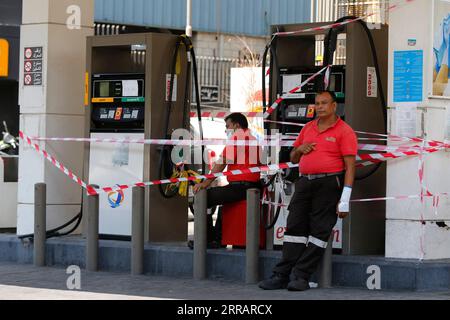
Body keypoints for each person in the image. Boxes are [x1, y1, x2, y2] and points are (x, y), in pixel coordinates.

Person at [258, 91, 357, 291]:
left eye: (324, 103)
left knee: (319, 232)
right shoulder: (308, 127)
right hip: (304, 182)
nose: (320, 107)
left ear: (334, 106)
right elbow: (294, 158)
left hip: (329, 183)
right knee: (294, 228)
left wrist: (345, 199)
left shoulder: (344, 131)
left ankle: (301, 276)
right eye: (317, 103)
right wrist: (299, 149)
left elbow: (350, 167)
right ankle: (281, 275)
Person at [192, 113, 262, 247]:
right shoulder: (252, 137)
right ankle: (217, 239)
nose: (226, 130)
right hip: (249, 185)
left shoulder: (239, 136)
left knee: (204, 196)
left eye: (227, 126)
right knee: (221, 198)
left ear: (236, 125)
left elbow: (222, 161)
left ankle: (206, 239)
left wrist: (206, 183)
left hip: (242, 187)